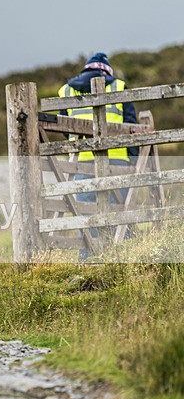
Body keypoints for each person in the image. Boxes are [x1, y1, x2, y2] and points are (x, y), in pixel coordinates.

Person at [58, 52, 137, 259]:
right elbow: (132, 126)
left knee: (86, 215)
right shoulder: (118, 86)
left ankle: (88, 260)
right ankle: (125, 259)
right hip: (117, 160)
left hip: (81, 163)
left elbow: (64, 128)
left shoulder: (66, 90)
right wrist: (134, 160)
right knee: (121, 212)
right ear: (108, 71)